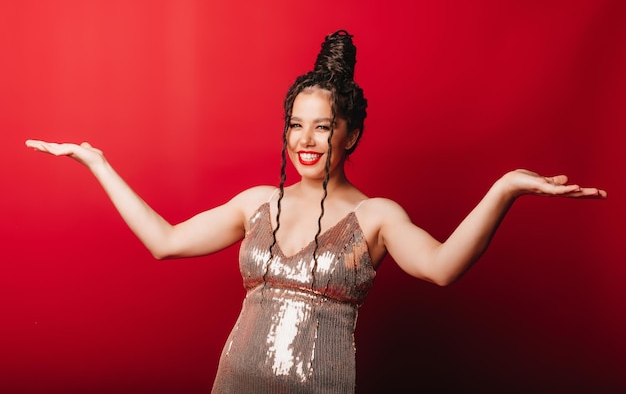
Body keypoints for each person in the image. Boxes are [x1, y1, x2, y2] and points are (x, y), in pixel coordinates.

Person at [25, 30, 607, 393]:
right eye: (295, 125)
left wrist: (503, 188)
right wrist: (98, 163)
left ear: (349, 135)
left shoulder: (377, 216)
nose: (305, 139)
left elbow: (442, 267)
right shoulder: (258, 203)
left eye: (323, 126)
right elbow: (165, 241)